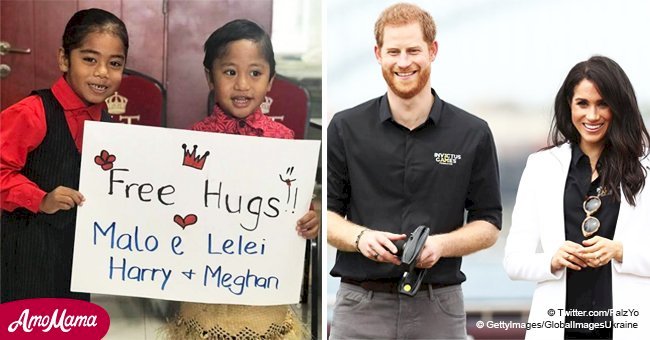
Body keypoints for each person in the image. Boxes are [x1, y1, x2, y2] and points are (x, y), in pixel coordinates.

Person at [327, 3, 502, 339]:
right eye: (393, 51)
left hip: (438, 308)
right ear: (378, 54)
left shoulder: (472, 133)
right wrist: (361, 238)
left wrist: (440, 246)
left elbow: (490, 224)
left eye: (413, 50)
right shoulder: (345, 128)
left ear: (432, 51)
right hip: (359, 307)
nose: (403, 62)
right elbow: (329, 217)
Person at [165, 19, 319, 340]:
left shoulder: (284, 140)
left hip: (262, 283)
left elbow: (293, 204)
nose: (243, 85)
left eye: (255, 73)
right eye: (230, 72)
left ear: (271, 80)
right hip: (206, 281)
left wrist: (310, 217)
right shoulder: (194, 139)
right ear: (210, 77)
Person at [503, 56, 650, 339]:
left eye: (602, 103)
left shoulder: (645, 168)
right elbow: (514, 261)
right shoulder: (541, 166)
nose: (592, 116)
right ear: (569, 105)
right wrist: (552, 260)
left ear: (619, 107)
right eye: (582, 103)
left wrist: (620, 251)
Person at [0, 8, 128, 302]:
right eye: (89, 59)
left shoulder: (108, 124)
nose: (102, 73)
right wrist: (40, 199)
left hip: (75, 258)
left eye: (115, 63)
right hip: (25, 255)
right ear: (63, 59)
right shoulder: (32, 112)